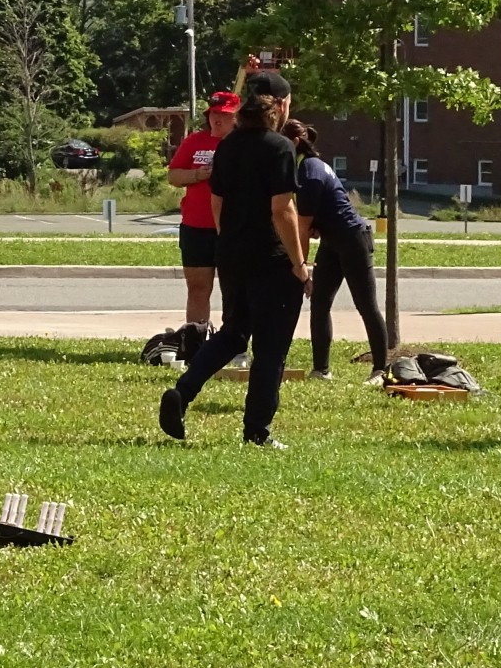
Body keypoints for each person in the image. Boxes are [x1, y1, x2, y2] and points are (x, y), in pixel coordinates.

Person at [157, 70, 311, 447]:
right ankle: (257, 431)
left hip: (231, 254)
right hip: (271, 259)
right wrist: (299, 262)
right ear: (281, 106)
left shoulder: (227, 146)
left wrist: (229, 243)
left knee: (233, 332)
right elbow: (282, 210)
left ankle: (184, 390)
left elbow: (216, 201)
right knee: (271, 348)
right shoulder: (279, 148)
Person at [282, 119, 389, 384]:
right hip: (331, 240)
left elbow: (303, 228)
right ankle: (321, 369)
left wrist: (300, 266)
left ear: (295, 143)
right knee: (319, 301)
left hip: (353, 239)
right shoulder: (301, 166)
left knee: (366, 305)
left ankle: (380, 369)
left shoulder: (309, 170)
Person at [167, 91, 239, 326]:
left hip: (232, 227)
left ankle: (234, 344)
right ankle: (195, 339)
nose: (217, 119)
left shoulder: (244, 143)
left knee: (235, 289)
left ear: (236, 117)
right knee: (198, 287)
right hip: (196, 226)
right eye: (213, 114)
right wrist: (197, 174)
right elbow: (174, 175)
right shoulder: (195, 141)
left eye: (224, 115)